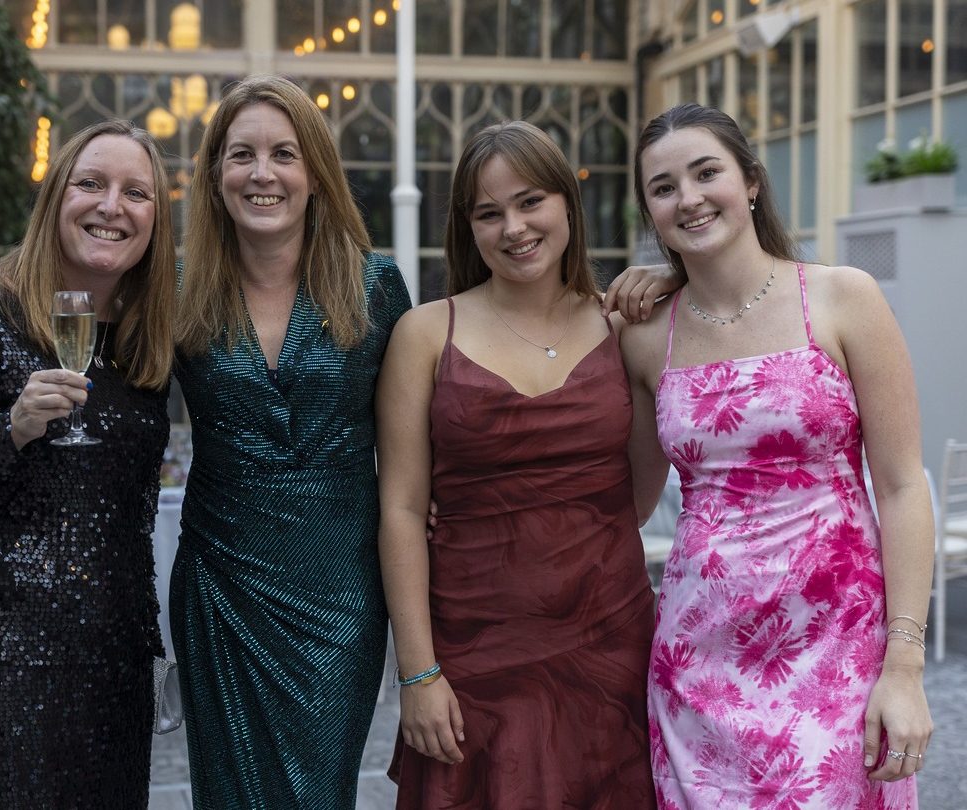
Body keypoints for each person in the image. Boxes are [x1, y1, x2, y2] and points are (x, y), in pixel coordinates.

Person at [622, 102, 934, 807]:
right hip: (699, 664)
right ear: (649, 210)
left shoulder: (842, 298)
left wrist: (905, 664)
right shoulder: (646, 337)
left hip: (840, 655)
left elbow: (901, 487)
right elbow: (627, 502)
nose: (690, 199)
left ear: (752, 182)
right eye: (664, 187)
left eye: (708, 173)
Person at [376, 120, 672, 808]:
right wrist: (417, 674)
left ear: (568, 202)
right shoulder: (425, 333)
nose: (514, 227)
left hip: (610, 642)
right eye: (489, 212)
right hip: (473, 650)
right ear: (468, 228)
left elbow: (636, 494)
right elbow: (400, 510)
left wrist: (672, 270)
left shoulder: (623, 327)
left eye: (530, 201)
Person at [0, 119, 177, 808]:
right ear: (55, 199)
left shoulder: (144, 341)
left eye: (136, 193)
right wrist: (9, 432)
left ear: (155, 222)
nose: (112, 206)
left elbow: (128, 518)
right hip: (0, 667)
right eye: (91, 184)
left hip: (114, 672)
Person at [169, 75, 412, 809]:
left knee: (319, 791)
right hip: (221, 583)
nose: (262, 173)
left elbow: (417, 446)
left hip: (340, 589)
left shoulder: (376, 286)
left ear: (315, 175)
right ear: (215, 176)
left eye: (283, 154)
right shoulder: (176, 288)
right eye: (241, 154)